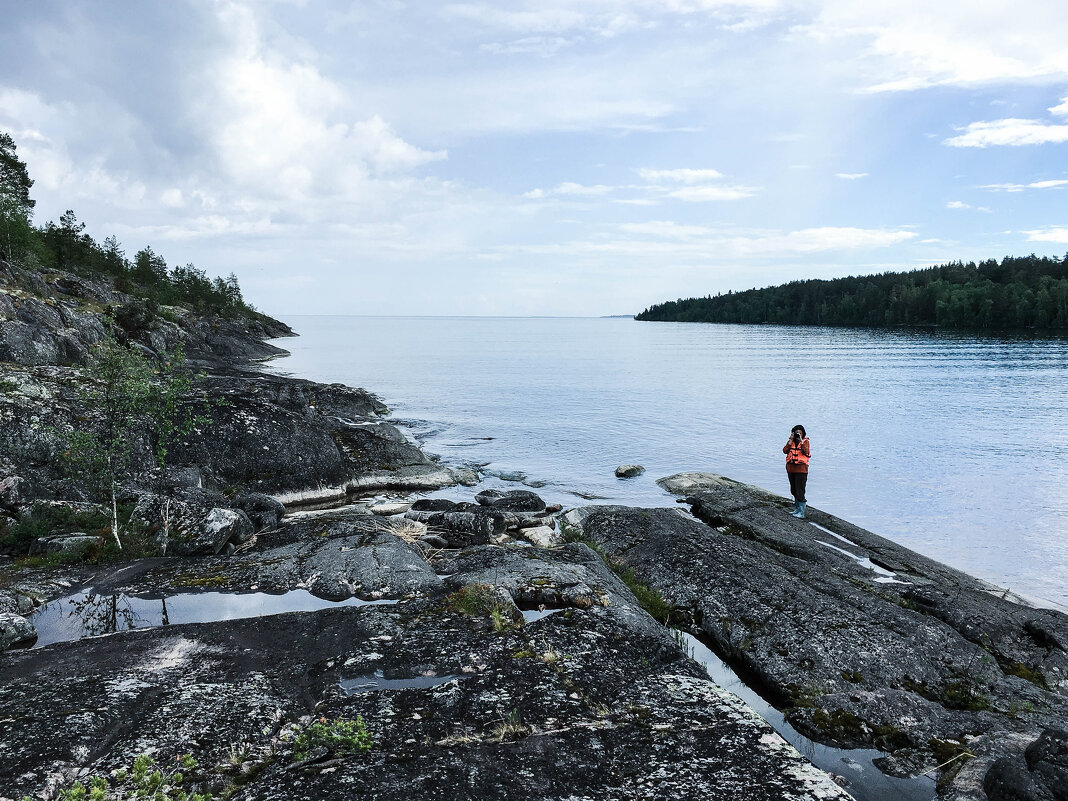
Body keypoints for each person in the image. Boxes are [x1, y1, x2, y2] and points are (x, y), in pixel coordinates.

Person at [783, 424, 810, 518]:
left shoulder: (805, 442)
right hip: (791, 469)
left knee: (800, 490)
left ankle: (801, 512)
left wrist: (801, 441)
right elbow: (785, 450)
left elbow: (805, 451)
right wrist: (790, 440)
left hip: (801, 470)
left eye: (800, 433)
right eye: (796, 433)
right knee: (793, 490)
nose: (798, 434)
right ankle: (797, 509)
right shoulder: (791, 442)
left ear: (803, 433)